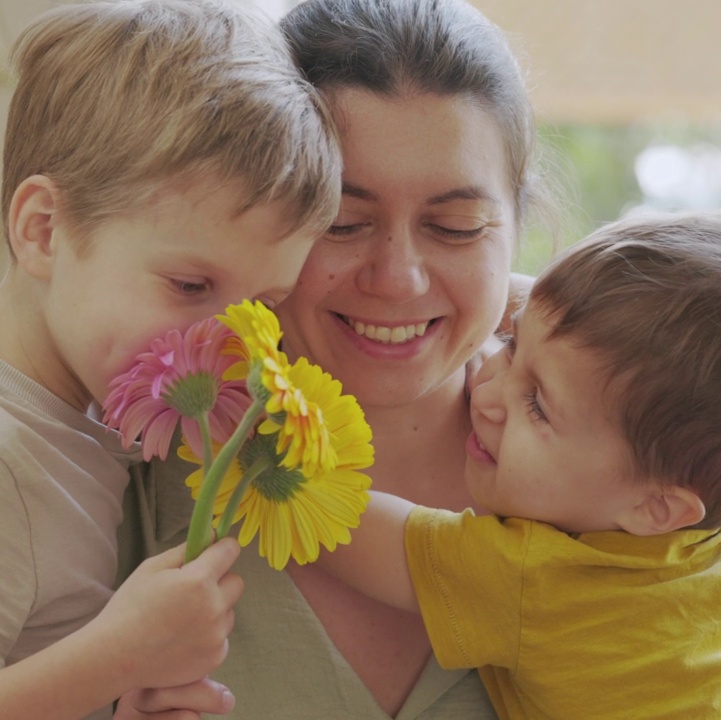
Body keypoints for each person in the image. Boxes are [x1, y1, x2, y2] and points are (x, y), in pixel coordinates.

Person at [0, 1, 341, 718]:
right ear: (43, 230)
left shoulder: (33, 391)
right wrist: (115, 656)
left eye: (261, 304)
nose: (224, 346)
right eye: (190, 287)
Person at [117, 0, 553, 717]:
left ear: (516, 230)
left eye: (456, 227)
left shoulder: (624, 458)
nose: (398, 277)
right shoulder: (141, 457)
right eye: (341, 223)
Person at [315, 210, 721, 719]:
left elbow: (345, 525)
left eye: (538, 406)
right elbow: (576, 340)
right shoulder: (701, 495)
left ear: (657, 506)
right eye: (512, 343)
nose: (491, 391)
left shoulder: (542, 582)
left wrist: (252, 441)